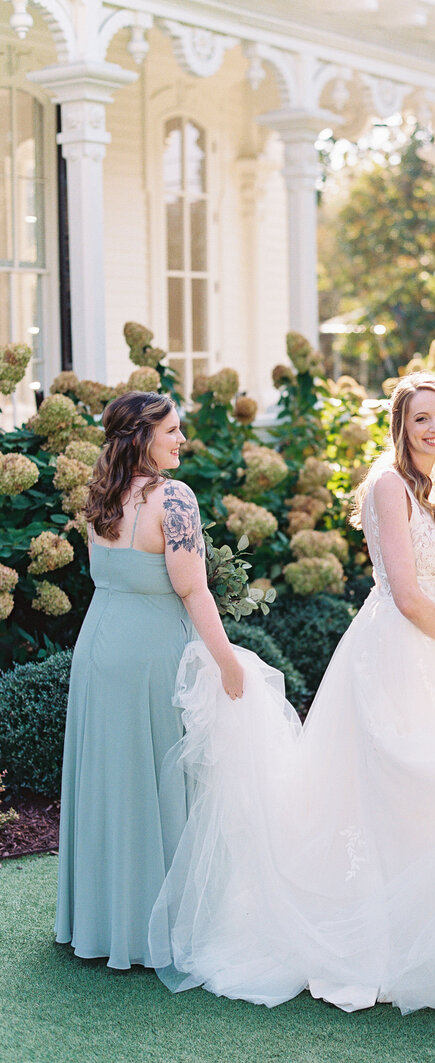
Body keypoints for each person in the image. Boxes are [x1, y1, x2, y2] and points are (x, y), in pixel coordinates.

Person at [148, 372, 435, 1014]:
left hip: (433, 656)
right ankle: (376, 942)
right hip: (396, 650)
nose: (434, 428)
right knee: (399, 779)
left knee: (424, 791)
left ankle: (432, 938)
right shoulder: (390, 484)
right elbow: (407, 592)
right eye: (421, 418)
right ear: (401, 426)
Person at [55, 391, 244, 970]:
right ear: (142, 437)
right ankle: (156, 927)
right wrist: (227, 661)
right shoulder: (175, 498)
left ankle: (100, 923)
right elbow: (192, 588)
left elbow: (109, 574)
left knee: (110, 780)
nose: (181, 439)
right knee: (157, 777)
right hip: (151, 655)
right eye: (172, 431)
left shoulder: (100, 495)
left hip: (98, 647)